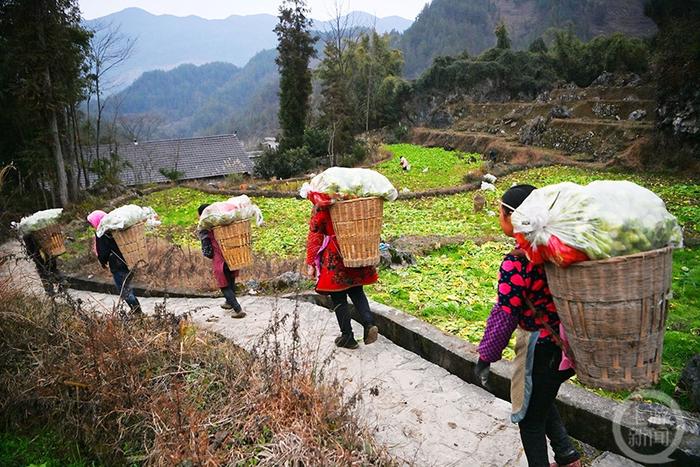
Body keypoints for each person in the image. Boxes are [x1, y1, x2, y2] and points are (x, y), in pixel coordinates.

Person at [474, 185, 580, 467]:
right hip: (565, 345)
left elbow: (505, 314)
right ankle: (568, 457)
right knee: (542, 400)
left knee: (530, 420)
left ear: (513, 218)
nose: (499, 218)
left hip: (540, 349)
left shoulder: (517, 262)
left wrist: (486, 356)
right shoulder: (559, 252)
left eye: (501, 213)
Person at [305, 204, 379, 349]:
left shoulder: (324, 203)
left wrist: (311, 262)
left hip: (336, 253)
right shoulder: (354, 201)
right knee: (357, 290)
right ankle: (369, 322)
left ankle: (347, 336)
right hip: (354, 249)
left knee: (338, 296)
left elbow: (316, 231)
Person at [87, 210, 142, 314]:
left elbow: (103, 252)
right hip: (130, 260)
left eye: (92, 223)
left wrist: (102, 261)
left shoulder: (103, 233)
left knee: (124, 289)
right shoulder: (118, 228)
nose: (92, 226)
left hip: (118, 264)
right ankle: (136, 310)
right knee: (127, 286)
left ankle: (137, 311)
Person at [197, 204, 245, 318]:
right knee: (231, 280)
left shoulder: (206, 228)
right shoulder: (227, 223)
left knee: (224, 285)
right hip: (233, 256)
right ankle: (229, 303)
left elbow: (207, 250)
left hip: (220, 260)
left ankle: (238, 310)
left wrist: (210, 254)